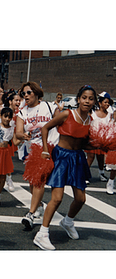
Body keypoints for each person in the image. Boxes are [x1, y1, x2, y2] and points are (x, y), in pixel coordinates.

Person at [33, 85, 97, 250]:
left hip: (77, 159)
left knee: (81, 199)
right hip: (61, 157)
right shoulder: (67, 114)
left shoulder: (91, 120)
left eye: (90, 98)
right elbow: (45, 128)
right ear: (78, 99)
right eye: (84, 98)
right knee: (57, 198)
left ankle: (67, 221)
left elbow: (86, 144)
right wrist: (46, 150)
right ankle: (42, 234)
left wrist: (102, 145)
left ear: (94, 101)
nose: (87, 101)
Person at [16, 81, 59, 230]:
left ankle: (31, 213)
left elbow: (60, 123)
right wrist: (24, 135)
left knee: (39, 180)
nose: (25, 96)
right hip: (33, 150)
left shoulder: (49, 107)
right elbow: (18, 132)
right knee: (32, 182)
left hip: (50, 148)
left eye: (28, 92)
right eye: (23, 94)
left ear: (36, 93)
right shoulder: (22, 112)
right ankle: (39, 205)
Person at [86, 91, 113, 182]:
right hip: (92, 139)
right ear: (100, 103)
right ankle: (84, 175)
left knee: (101, 158)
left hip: (103, 140)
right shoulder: (93, 113)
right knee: (90, 157)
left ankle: (101, 174)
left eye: (108, 102)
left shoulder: (109, 115)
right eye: (105, 102)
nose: (107, 104)